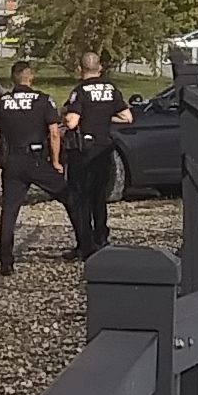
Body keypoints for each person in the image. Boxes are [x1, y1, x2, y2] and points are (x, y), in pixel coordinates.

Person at [0, 58, 67, 275]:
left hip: (12, 162)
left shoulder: (3, 102)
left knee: (10, 211)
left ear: (13, 79)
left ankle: (6, 262)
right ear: (30, 78)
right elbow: (53, 133)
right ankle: (85, 245)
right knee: (69, 196)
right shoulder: (43, 100)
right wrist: (57, 161)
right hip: (37, 159)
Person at [60, 51, 134, 255]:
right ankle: (101, 238)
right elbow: (127, 117)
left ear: (79, 68)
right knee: (99, 197)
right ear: (100, 68)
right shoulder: (111, 89)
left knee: (81, 196)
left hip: (83, 151)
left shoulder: (80, 91)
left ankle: (85, 243)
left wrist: (65, 116)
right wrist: (106, 119)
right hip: (105, 149)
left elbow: (72, 121)